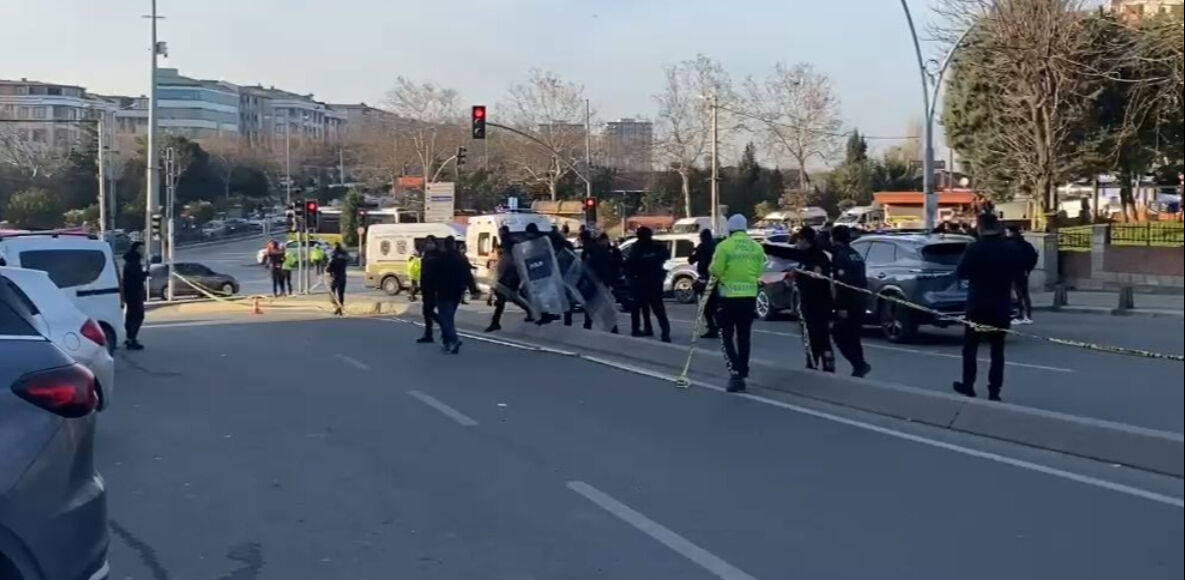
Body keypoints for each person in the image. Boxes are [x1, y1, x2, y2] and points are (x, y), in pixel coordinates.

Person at [954, 213, 1022, 402]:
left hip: (978, 305)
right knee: (997, 351)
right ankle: (994, 390)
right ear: (997, 227)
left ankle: (968, 385)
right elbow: (1019, 269)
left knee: (970, 348)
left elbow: (961, 273)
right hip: (1001, 305)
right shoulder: (1009, 249)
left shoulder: (974, 249)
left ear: (981, 227)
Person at [709, 215, 765, 392]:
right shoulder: (756, 247)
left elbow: (715, 270)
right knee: (744, 336)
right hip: (749, 297)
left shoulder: (724, 246)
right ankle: (743, 368)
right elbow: (760, 270)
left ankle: (735, 372)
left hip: (728, 297)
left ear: (730, 229)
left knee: (725, 335)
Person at [829, 225, 871, 377]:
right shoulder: (855, 254)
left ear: (834, 238)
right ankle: (859, 365)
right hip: (861, 300)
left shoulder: (840, 256)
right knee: (853, 336)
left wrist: (841, 307)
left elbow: (843, 284)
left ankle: (859, 364)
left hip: (849, 302)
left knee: (839, 335)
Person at [422, 237, 473, 354]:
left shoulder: (441, 259)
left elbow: (433, 276)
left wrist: (431, 289)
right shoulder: (460, 258)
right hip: (456, 292)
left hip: (443, 291)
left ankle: (454, 339)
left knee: (445, 319)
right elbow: (467, 274)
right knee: (449, 317)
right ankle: (448, 341)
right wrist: (472, 288)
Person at [624, 226, 671, 342]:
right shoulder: (640, 247)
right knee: (648, 307)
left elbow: (631, 263)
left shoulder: (652, 247)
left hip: (647, 281)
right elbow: (631, 263)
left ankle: (660, 331)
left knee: (649, 307)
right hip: (645, 281)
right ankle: (649, 329)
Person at [687, 228, 719, 339]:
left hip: (705, 278)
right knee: (715, 304)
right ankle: (718, 326)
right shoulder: (716, 247)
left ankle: (712, 327)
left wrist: (693, 251)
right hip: (716, 278)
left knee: (705, 305)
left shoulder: (701, 247)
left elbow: (691, 260)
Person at [1006, 225, 1038, 325]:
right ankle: (1025, 314)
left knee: (1019, 294)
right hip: (1022, 271)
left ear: (1011, 232)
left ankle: (1022, 314)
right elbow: (1033, 257)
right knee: (1022, 294)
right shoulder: (1025, 244)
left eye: (1007, 231)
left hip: (1014, 271)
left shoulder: (1009, 244)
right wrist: (1028, 269)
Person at [121, 242, 149, 351]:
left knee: (131, 315)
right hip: (134, 293)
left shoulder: (131, 261)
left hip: (131, 293)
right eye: (141, 248)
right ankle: (131, 339)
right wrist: (146, 273)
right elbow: (136, 278)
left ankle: (130, 338)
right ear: (136, 249)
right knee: (138, 316)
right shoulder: (133, 262)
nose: (143, 251)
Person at [417, 236, 440, 343]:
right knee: (426, 312)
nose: (429, 245)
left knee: (429, 311)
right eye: (427, 243)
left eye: (431, 243)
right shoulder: (426, 255)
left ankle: (443, 324)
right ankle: (428, 334)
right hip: (426, 287)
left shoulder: (437, 256)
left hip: (434, 288)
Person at [327, 243, 349, 316]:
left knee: (331, 293)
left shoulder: (334, 255)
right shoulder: (344, 255)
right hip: (343, 276)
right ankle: (340, 307)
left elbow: (330, 266)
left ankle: (336, 306)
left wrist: (328, 270)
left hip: (335, 277)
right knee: (341, 294)